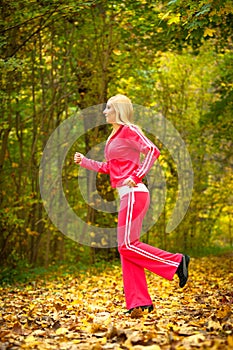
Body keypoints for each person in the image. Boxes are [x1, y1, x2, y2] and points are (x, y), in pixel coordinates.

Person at [74, 94, 190, 314]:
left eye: (108, 108)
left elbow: (153, 151)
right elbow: (110, 168)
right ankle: (139, 302)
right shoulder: (113, 136)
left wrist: (137, 176)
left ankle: (176, 262)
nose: (104, 112)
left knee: (126, 245)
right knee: (128, 249)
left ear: (118, 110)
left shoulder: (130, 130)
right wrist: (85, 161)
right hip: (125, 195)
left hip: (135, 193)